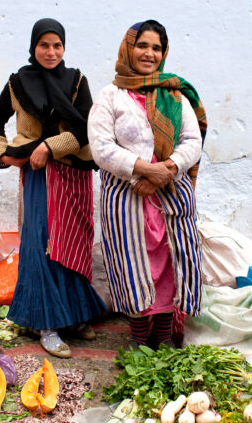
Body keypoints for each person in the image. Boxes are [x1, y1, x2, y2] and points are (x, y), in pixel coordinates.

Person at [0, 18, 105, 358]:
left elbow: (88, 129)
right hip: (38, 175)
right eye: (44, 45)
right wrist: (3, 156)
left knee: (73, 242)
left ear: (64, 48)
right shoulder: (18, 83)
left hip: (73, 171)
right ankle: (46, 323)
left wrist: (50, 146)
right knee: (41, 242)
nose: (51, 52)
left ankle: (74, 315)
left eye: (57, 45)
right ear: (33, 47)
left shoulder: (77, 81)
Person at [88, 20, 206, 349]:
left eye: (156, 48)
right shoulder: (110, 96)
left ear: (163, 53)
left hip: (170, 197)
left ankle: (164, 338)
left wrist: (166, 170)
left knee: (172, 263)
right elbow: (101, 148)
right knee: (131, 265)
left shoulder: (175, 95)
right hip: (126, 198)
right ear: (128, 47)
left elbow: (191, 141)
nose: (149, 54)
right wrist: (142, 170)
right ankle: (140, 341)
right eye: (142, 45)